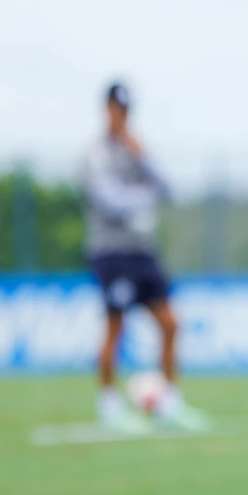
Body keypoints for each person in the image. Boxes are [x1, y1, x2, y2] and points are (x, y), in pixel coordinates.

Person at [81, 81, 207, 433]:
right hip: (112, 252)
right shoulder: (95, 153)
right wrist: (145, 193)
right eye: (116, 109)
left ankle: (170, 404)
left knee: (170, 324)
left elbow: (169, 188)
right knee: (114, 328)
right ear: (106, 109)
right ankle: (109, 408)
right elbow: (110, 202)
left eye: (126, 111)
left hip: (142, 251)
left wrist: (144, 160)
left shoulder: (136, 149)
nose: (121, 117)